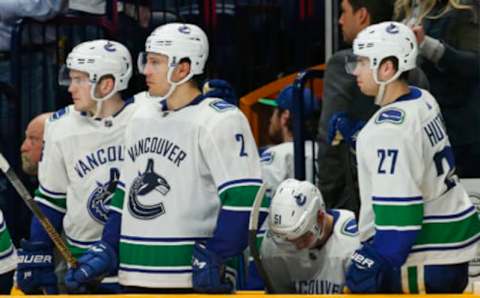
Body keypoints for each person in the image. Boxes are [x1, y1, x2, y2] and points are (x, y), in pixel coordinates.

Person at [64, 22, 263, 294]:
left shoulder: (220, 119)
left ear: (183, 68)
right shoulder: (141, 117)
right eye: (147, 61)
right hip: (133, 277)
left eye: (156, 62)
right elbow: (124, 194)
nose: (145, 70)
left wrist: (218, 253)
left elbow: (245, 198)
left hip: (189, 280)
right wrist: (108, 247)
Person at [336, 21, 480, 293]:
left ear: (387, 68)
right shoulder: (422, 98)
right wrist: (361, 136)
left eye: (364, 62)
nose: (356, 70)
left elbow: (400, 217)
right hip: (453, 250)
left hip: (425, 258)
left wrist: (377, 260)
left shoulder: (387, 131)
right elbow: (415, 155)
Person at [15, 39, 137, 294]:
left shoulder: (146, 117)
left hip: (136, 263)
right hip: (80, 263)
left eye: (80, 79)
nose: (71, 88)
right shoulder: (60, 125)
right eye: (71, 78)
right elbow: (51, 200)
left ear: (107, 83)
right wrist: (40, 251)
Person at [317, 0, 429, 217]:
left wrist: (330, 209)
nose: (340, 20)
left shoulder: (342, 66)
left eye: (344, 11)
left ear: (362, 15)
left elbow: (329, 146)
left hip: (363, 208)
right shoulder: (419, 83)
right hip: (419, 203)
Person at [394, 0, 480, 178]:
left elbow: (474, 64)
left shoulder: (462, 10)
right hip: (415, 125)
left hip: (457, 131)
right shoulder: (403, 11)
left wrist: (427, 45)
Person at [260, 178, 359, 294]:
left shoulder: (353, 242)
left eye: (303, 237)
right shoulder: (273, 247)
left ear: (320, 218)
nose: (298, 246)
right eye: (288, 241)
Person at [258, 84, 320, 197]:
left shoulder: (277, 154)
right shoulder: (323, 151)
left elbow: (265, 202)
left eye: (274, 112)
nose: (271, 119)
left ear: (285, 116)